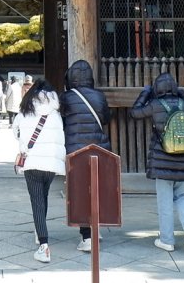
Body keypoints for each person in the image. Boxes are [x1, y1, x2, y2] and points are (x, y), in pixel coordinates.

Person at [129, 71, 184, 253]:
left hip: (163, 161)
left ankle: (167, 240)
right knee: (183, 196)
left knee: (165, 201)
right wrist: (182, 94)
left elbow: (135, 113)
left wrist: (145, 94)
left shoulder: (154, 104)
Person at [11, 76, 66, 264]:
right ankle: (39, 229)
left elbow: (15, 131)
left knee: (36, 200)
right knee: (43, 196)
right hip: (51, 163)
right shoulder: (56, 112)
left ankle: (43, 244)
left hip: (32, 161)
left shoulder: (25, 110)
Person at [61, 59, 112, 253]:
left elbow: (63, 121)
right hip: (98, 149)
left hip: (75, 151)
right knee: (96, 190)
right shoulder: (99, 96)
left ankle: (87, 236)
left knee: (81, 192)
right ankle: (95, 228)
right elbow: (106, 118)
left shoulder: (66, 97)